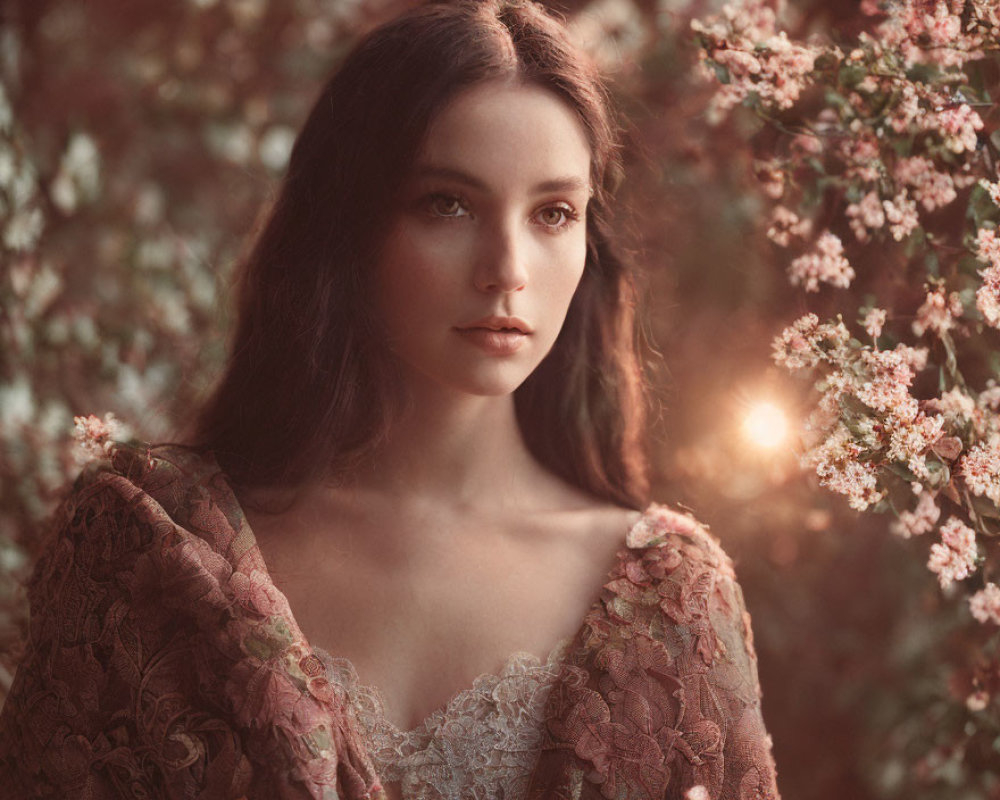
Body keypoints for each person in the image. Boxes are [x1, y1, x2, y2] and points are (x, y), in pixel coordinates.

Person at [0, 1, 782, 798]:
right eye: (448, 204)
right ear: (347, 225)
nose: (507, 267)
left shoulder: (674, 602)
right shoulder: (150, 544)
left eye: (553, 213)